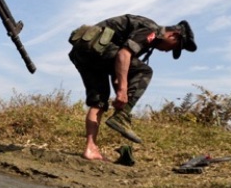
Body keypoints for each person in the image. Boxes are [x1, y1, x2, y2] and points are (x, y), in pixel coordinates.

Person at [68, 14, 197, 161]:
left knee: (99, 101)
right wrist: (123, 91)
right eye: (174, 47)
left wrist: (120, 92)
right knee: (144, 71)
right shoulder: (151, 30)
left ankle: (90, 149)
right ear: (174, 35)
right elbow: (123, 55)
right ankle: (122, 116)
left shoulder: (147, 38)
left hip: (84, 52)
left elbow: (119, 69)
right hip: (98, 47)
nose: (168, 51)